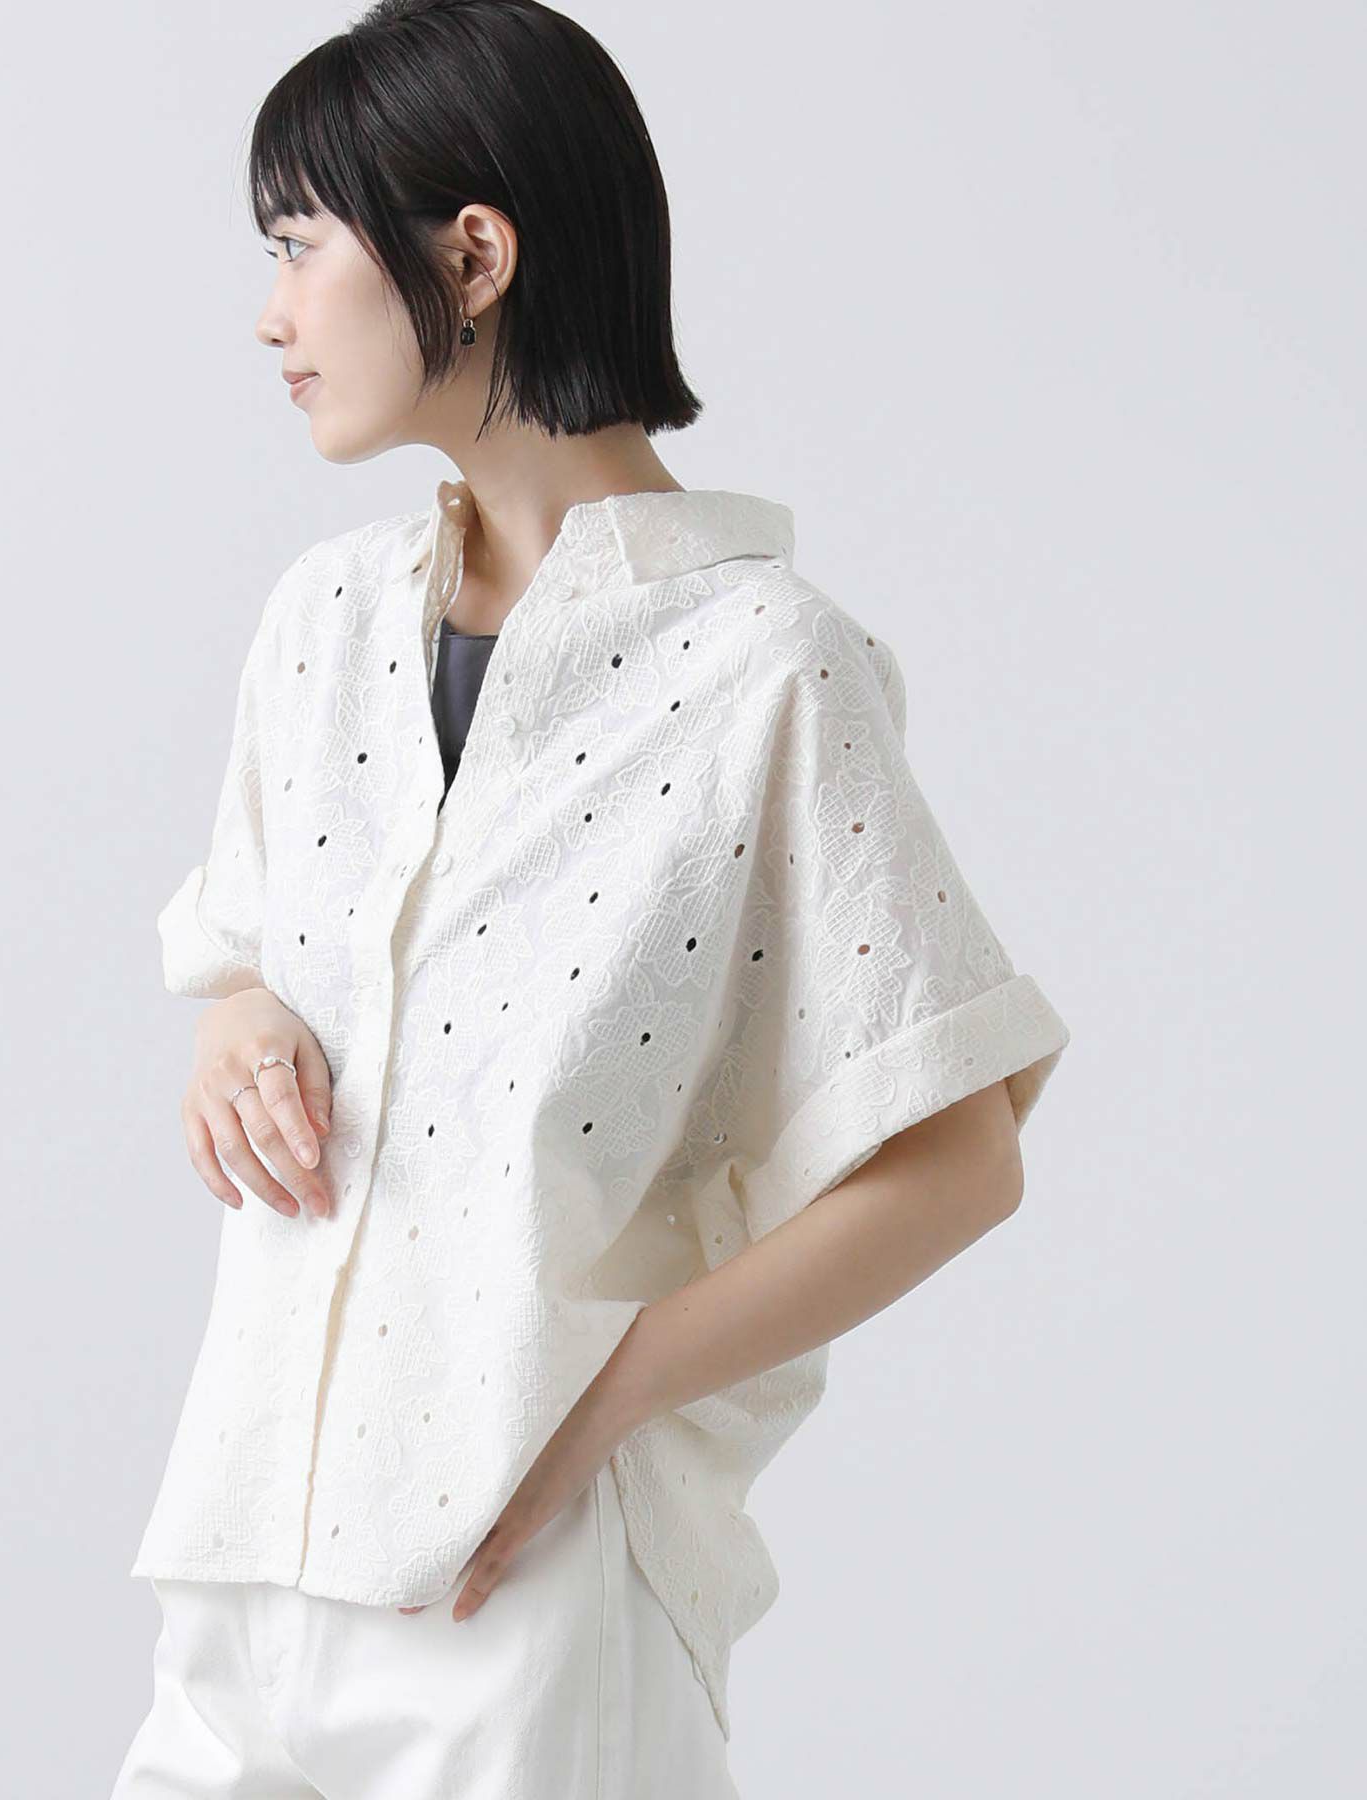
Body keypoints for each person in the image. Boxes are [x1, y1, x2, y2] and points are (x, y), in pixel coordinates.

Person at [110, 2, 1073, 1795]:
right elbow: (257, 953)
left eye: (300, 243)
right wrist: (237, 1022)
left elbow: (961, 1159)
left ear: (473, 257)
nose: (270, 311)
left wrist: (605, 1392)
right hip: (247, 1560)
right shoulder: (322, 626)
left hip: (530, 1592)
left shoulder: (767, 667)